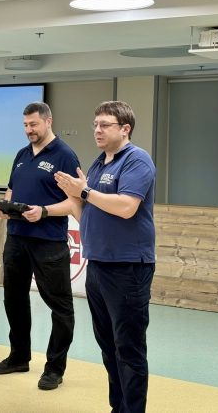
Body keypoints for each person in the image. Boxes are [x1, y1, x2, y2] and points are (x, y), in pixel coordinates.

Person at [54, 100, 155, 413]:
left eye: (105, 125)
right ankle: (118, 407)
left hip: (127, 268)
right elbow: (86, 213)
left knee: (129, 349)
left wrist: (84, 192)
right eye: (95, 124)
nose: (97, 130)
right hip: (98, 266)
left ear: (125, 129)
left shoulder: (137, 160)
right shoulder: (98, 164)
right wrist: (74, 196)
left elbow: (126, 207)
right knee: (109, 347)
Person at [0, 102, 80, 391]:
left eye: (34, 124)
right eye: (25, 125)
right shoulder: (21, 154)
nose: (29, 130)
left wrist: (44, 211)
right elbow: (11, 189)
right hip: (17, 238)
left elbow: (75, 202)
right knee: (13, 299)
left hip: (49, 242)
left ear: (48, 121)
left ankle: (54, 368)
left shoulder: (65, 155)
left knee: (60, 306)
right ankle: (19, 357)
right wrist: (6, 206)